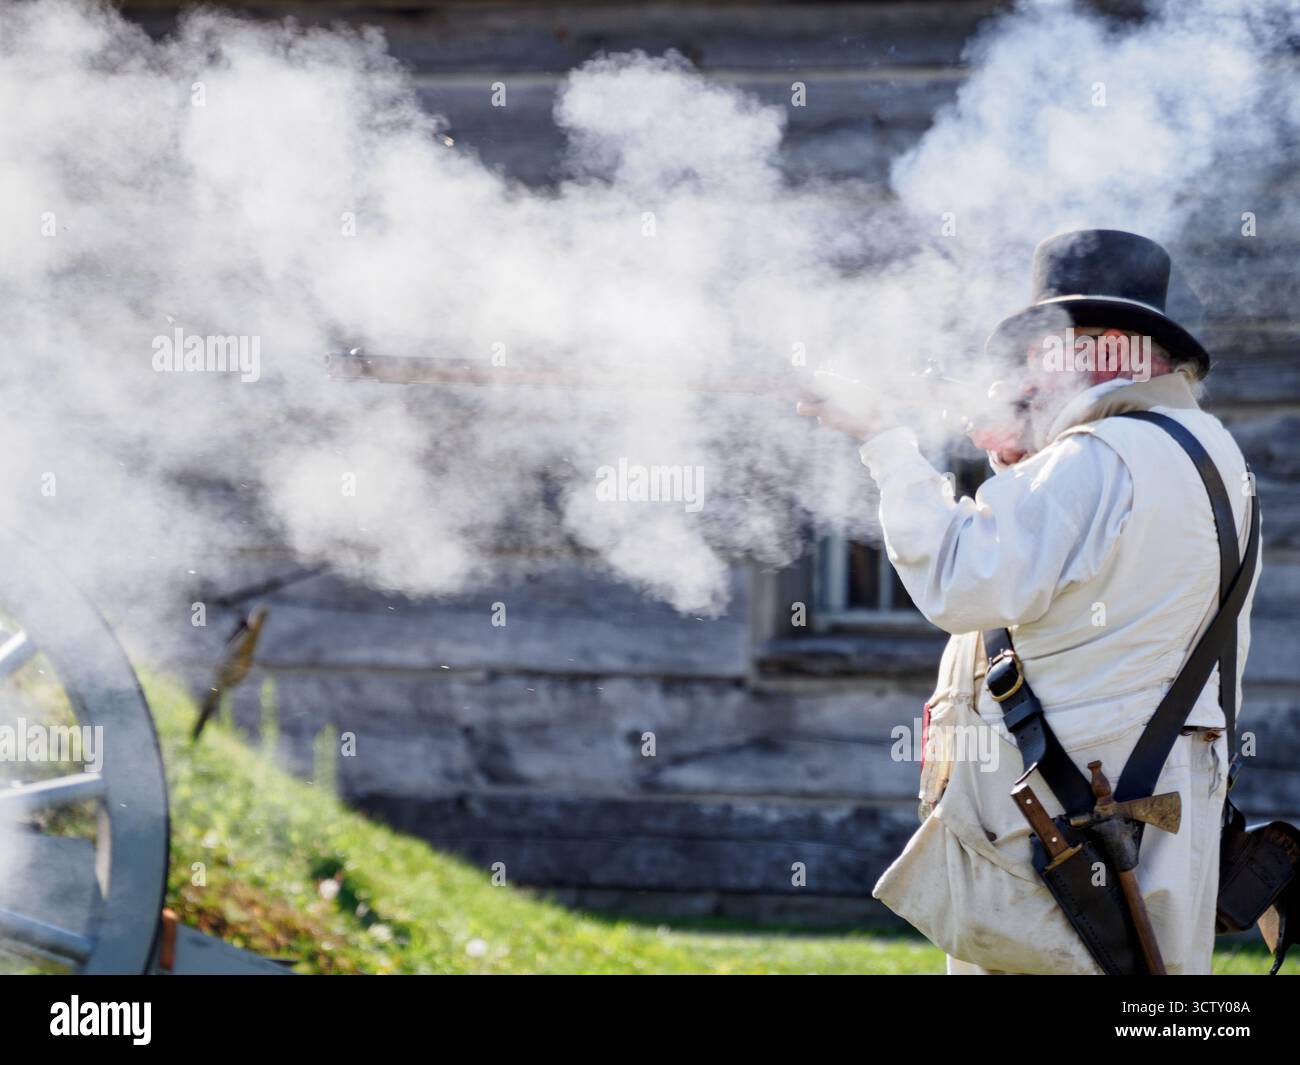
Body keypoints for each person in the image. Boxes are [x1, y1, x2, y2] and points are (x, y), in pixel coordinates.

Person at [798, 229, 1260, 974]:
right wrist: (1018, 455)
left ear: (1104, 346)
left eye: (1044, 350)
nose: (1028, 371)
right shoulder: (1211, 453)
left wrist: (886, 441)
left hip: (1065, 828)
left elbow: (959, 581)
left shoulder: (1092, 460)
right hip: (1155, 807)